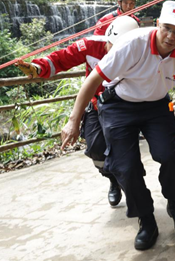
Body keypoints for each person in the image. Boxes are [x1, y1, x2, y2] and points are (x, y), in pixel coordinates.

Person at [60, 0, 175, 251]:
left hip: (156, 107)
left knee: (169, 156)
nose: (170, 36)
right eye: (167, 28)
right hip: (120, 105)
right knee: (126, 167)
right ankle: (146, 220)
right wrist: (74, 120)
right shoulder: (133, 44)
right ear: (157, 24)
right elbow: (94, 79)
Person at [15, 16, 139, 207]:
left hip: (127, 106)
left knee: (125, 152)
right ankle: (111, 179)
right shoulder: (90, 46)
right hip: (98, 103)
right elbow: (63, 57)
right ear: (107, 40)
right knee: (96, 147)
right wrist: (38, 67)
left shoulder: (142, 48)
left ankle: (134, 190)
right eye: (111, 47)